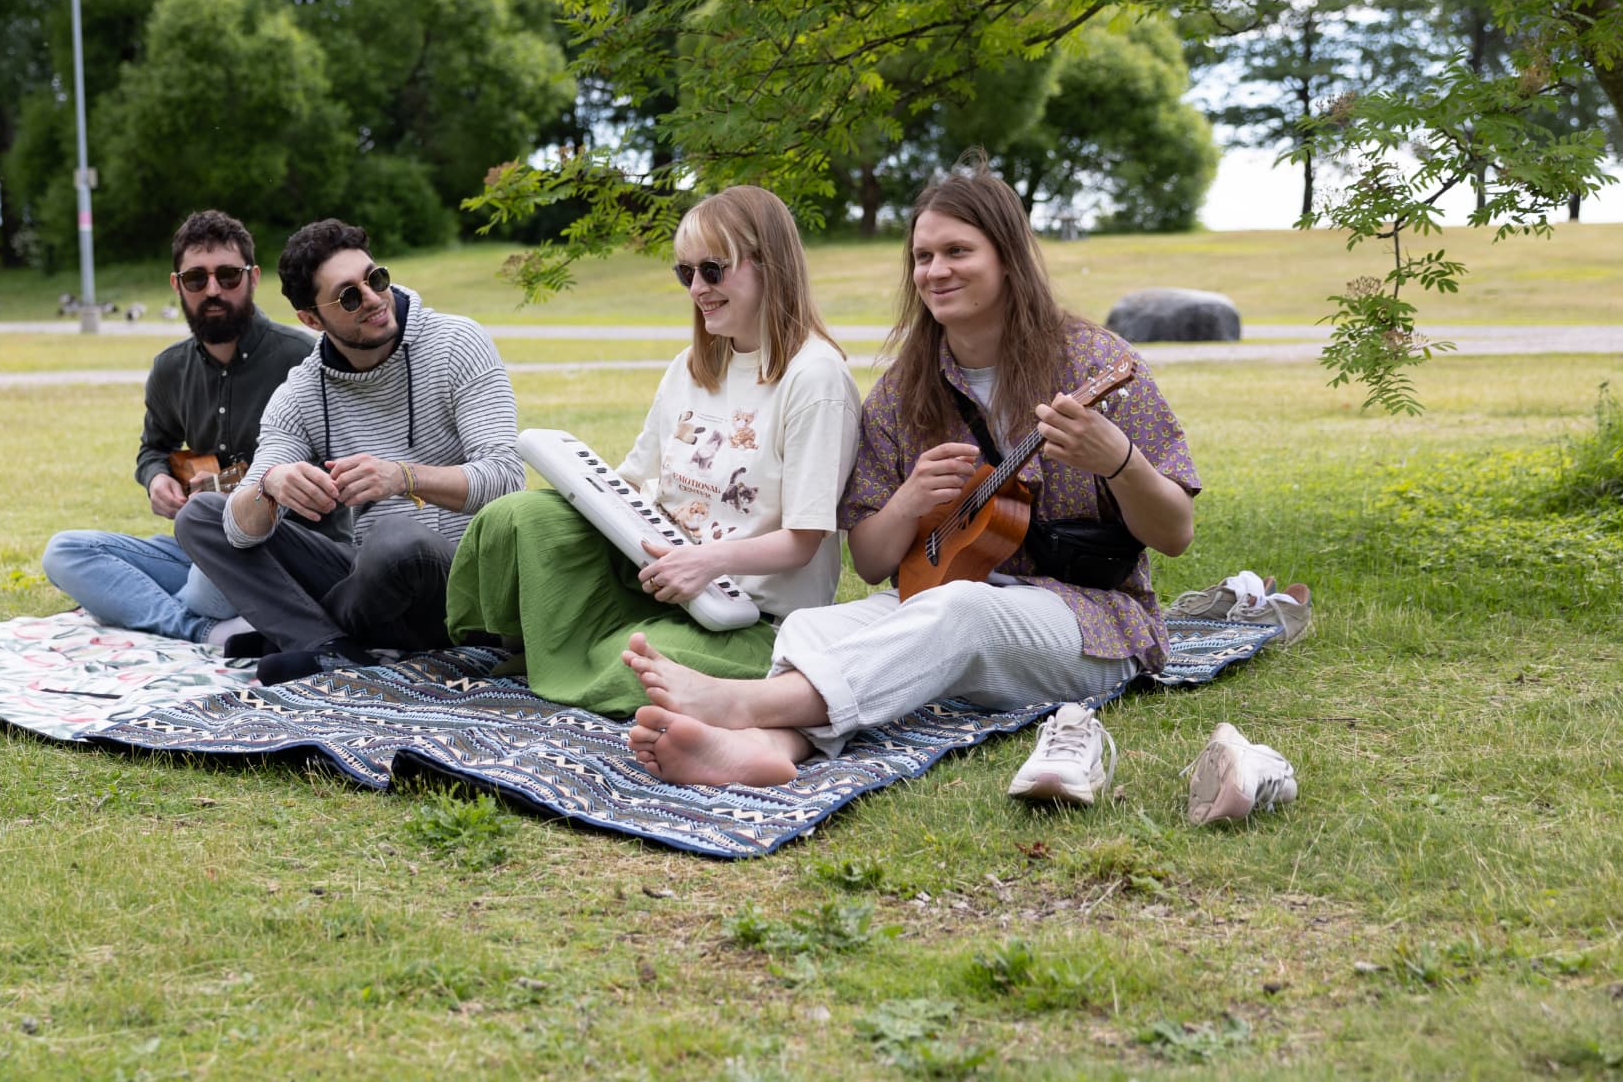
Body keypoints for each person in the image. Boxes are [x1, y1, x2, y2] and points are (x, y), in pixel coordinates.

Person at [621, 158, 1200, 793]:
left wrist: (1117, 460)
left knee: (960, 609)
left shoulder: (1098, 362)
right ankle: (765, 747)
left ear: (1007, 257)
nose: (936, 271)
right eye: (923, 256)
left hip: (1091, 623)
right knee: (812, 626)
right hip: (936, 610)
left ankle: (740, 707)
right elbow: (871, 564)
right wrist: (909, 501)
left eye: (957, 251)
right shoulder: (904, 390)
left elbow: (1174, 533)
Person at [446, 185, 862, 715]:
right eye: (684, 273)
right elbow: (634, 481)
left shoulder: (815, 377)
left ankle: (574, 653)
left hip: (750, 618)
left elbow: (803, 541)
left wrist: (705, 562)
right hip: (655, 578)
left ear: (770, 265)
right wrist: (584, 485)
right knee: (520, 514)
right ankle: (555, 645)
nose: (697, 288)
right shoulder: (691, 364)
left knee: (640, 668)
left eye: (712, 269)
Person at [174, 219, 524, 684]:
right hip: (369, 584)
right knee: (200, 515)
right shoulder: (302, 392)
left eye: (376, 279)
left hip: (464, 587)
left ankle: (298, 635)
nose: (375, 298)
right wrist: (271, 486)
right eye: (349, 296)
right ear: (311, 319)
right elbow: (240, 531)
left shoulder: (458, 343)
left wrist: (405, 478)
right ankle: (328, 649)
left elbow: (506, 477)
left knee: (397, 539)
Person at [42, 210, 322, 645]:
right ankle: (203, 630)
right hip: (199, 545)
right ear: (177, 285)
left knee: (199, 589)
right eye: (196, 279)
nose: (213, 290)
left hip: (278, 546)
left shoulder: (303, 359)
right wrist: (156, 480)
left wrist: (230, 485)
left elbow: (325, 471)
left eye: (228, 276)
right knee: (64, 552)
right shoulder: (170, 368)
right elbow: (154, 449)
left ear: (253, 278)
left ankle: (154, 608)